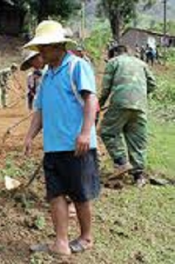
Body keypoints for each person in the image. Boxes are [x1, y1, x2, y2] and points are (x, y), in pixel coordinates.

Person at [23, 20, 100, 255]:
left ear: (58, 46)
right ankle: (61, 242)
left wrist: (85, 132)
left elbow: (91, 100)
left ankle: (86, 237)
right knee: (55, 194)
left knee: (80, 194)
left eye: (44, 48)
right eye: (40, 48)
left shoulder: (76, 67)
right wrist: (30, 136)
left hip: (77, 145)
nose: (41, 53)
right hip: (53, 147)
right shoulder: (46, 76)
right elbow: (41, 110)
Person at [99, 45, 156, 187]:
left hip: (120, 104)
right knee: (137, 139)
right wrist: (140, 93)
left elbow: (105, 88)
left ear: (114, 54)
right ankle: (139, 176)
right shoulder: (141, 63)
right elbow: (152, 84)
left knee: (108, 131)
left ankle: (121, 162)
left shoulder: (114, 62)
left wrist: (98, 105)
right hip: (140, 106)